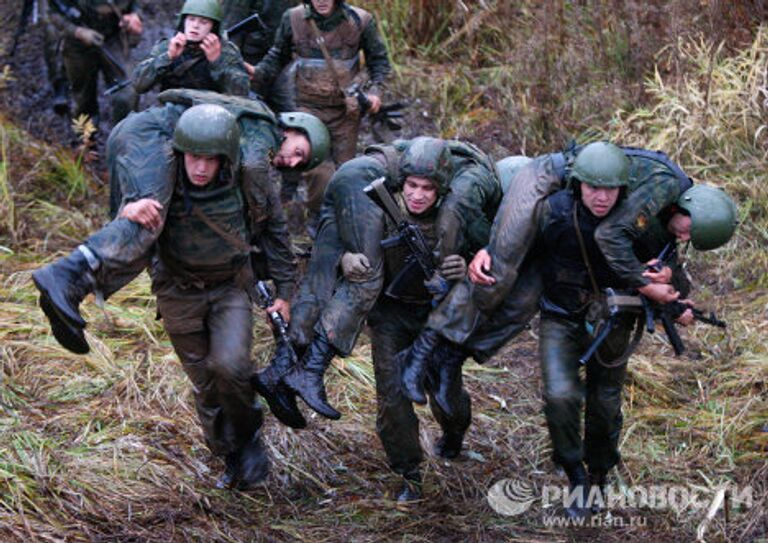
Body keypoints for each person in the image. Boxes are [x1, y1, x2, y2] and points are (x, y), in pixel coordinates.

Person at [399, 142, 739, 407]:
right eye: (685, 231)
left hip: (563, 242)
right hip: (546, 179)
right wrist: (644, 283)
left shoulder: (664, 216)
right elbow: (613, 238)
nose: (681, 239)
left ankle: (449, 360)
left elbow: (664, 264)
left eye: (688, 240)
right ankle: (421, 352)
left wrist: (675, 301)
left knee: (520, 307)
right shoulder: (664, 187)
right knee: (495, 272)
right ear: (685, 207)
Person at [255, 137, 502, 501]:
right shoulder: (377, 205)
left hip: (438, 317)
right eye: (412, 186)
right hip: (390, 313)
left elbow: (491, 254)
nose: (418, 196)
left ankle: (453, 434)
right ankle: (410, 474)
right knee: (392, 397)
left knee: (446, 395)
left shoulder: (460, 212)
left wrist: (462, 265)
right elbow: (330, 243)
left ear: (442, 189)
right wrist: (345, 260)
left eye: (427, 188)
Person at [32, 89, 330, 357]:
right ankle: (65, 273)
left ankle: (71, 292)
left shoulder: (251, 131)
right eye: (298, 153)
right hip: (151, 136)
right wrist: (257, 212)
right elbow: (253, 167)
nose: (291, 163)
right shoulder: (264, 128)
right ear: (292, 128)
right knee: (149, 216)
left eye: (299, 165)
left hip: (149, 137)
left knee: (144, 237)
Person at [251, 0, 391, 229]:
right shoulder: (293, 19)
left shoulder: (361, 21)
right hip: (307, 110)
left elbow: (379, 63)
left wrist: (376, 93)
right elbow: (277, 56)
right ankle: (317, 220)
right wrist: (257, 74)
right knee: (319, 171)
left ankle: (344, 220)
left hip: (346, 110)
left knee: (347, 171)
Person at [45, 0, 143, 127]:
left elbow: (135, 4)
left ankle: (123, 138)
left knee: (128, 93)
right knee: (83, 100)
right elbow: (53, 14)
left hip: (113, 37)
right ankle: (86, 141)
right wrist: (77, 32)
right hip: (77, 44)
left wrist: (134, 15)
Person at [132, 0, 249, 97]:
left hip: (211, 113)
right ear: (183, 21)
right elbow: (138, 85)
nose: (195, 26)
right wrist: (168, 57)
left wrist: (216, 62)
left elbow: (241, 94)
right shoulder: (167, 46)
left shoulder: (226, 50)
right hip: (169, 110)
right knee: (132, 125)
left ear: (213, 27)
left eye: (204, 22)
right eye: (191, 19)